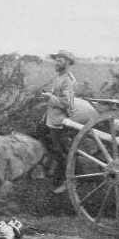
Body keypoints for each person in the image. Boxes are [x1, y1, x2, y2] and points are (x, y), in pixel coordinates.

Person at [42, 50, 77, 194]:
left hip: (59, 121)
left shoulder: (67, 80)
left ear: (68, 63)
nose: (57, 63)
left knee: (64, 153)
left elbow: (66, 102)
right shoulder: (60, 77)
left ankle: (70, 180)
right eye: (56, 60)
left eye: (60, 61)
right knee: (54, 147)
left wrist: (50, 97)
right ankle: (53, 176)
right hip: (51, 119)